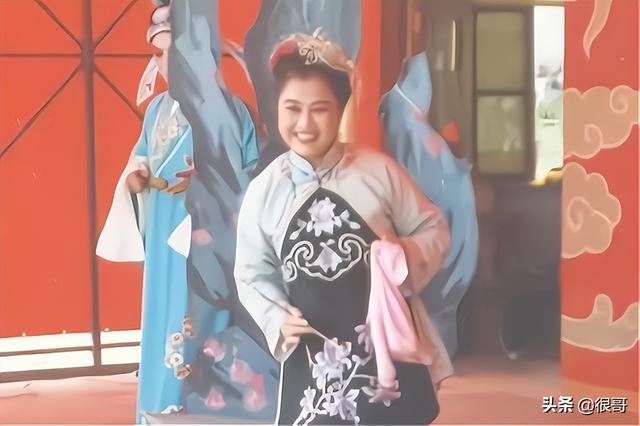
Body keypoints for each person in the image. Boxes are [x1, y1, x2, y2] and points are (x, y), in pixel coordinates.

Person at [234, 32, 452, 425]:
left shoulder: (378, 172)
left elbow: (432, 228)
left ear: (341, 109)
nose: (304, 123)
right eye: (292, 108)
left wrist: (402, 254)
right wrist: (276, 318)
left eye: (319, 109)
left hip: (383, 349)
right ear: (276, 107)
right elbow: (252, 273)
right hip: (311, 352)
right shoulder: (264, 190)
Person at [97, 6, 196, 422]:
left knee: (189, 315)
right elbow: (141, 157)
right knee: (158, 313)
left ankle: (184, 404)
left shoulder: (227, 109)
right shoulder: (157, 110)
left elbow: (246, 171)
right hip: (160, 229)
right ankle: (154, 408)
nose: (167, 62)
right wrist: (135, 178)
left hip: (198, 235)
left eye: (177, 51)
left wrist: (208, 182)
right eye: (159, 54)